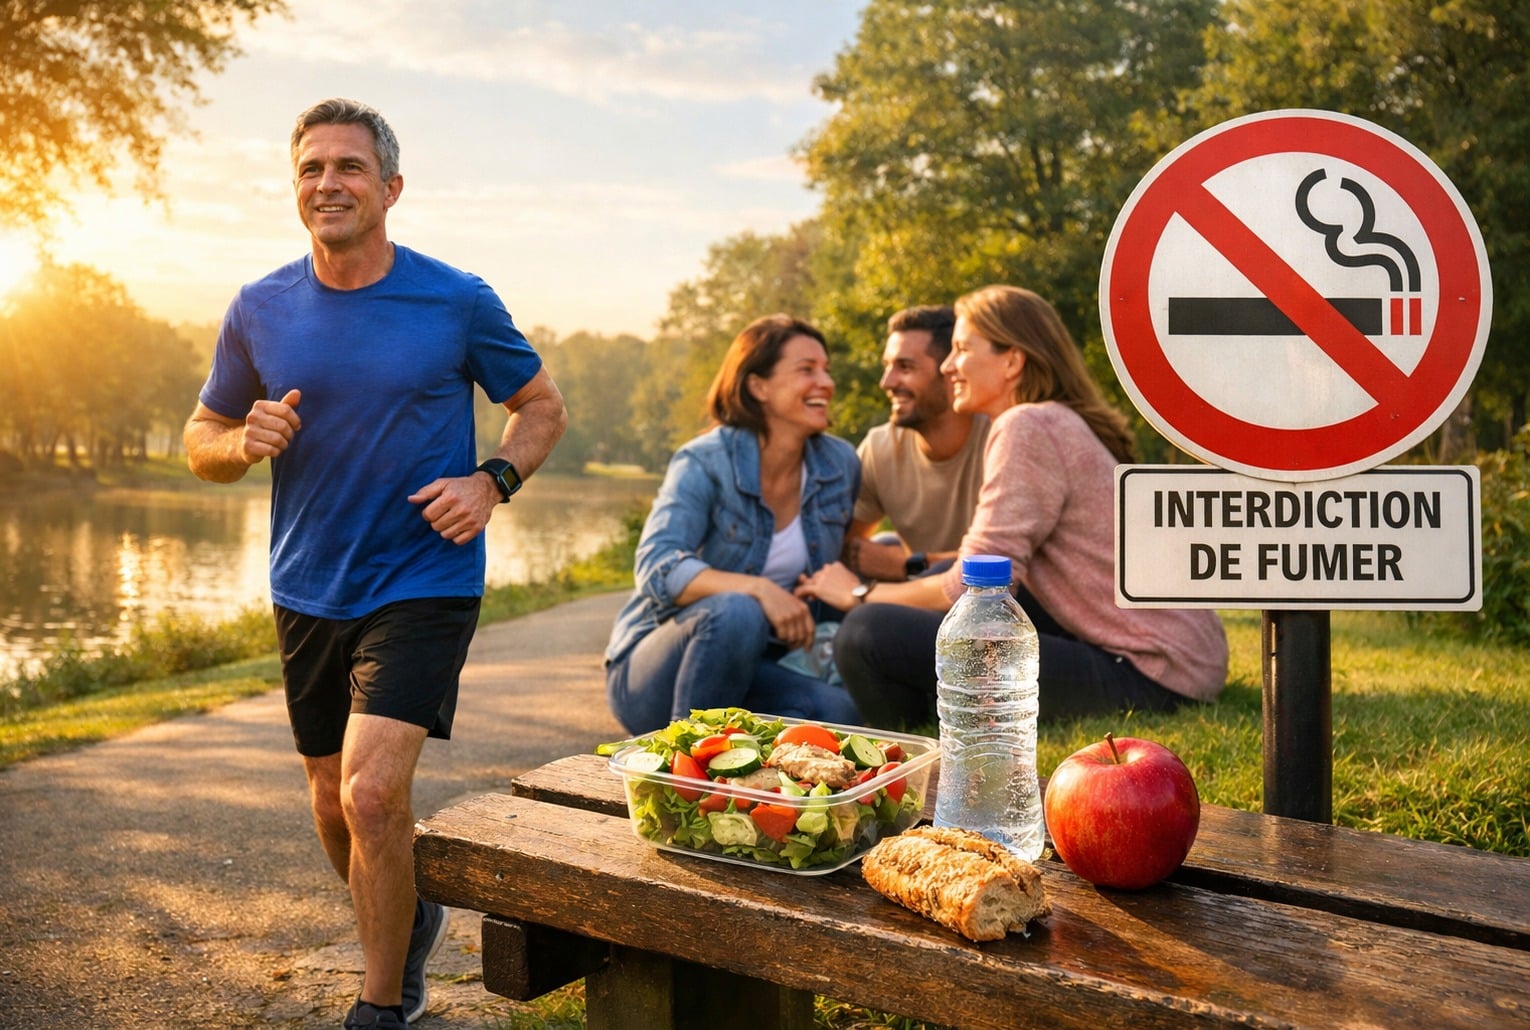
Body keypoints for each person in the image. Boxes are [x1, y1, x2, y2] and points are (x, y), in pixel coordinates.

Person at [183, 98, 567, 1030]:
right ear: (296, 188)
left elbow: (541, 406)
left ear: (391, 188)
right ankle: (411, 914)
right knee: (330, 799)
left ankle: (382, 1002)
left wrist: (491, 482)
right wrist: (240, 442)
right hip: (308, 583)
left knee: (371, 790)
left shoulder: (456, 299)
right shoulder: (259, 307)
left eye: (349, 167)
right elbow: (200, 436)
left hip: (425, 578)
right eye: (312, 168)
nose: (329, 183)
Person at [797, 285, 1227, 727]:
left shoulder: (1028, 426)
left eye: (962, 349)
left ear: (1012, 362)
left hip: (1149, 670)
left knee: (867, 632)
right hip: (1174, 658)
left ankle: (918, 735)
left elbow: (968, 588)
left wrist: (857, 595)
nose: (948, 366)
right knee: (923, 588)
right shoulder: (1050, 419)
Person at [604, 314, 863, 735]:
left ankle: (738, 753)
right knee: (739, 610)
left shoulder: (839, 463)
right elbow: (656, 565)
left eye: (826, 370)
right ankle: (683, 756)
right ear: (758, 386)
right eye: (807, 370)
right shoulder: (704, 461)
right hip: (655, 668)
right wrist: (759, 589)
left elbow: (845, 557)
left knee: (839, 714)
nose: (826, 383)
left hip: (760, 662)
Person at [843, 305, 989, 583]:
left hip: (992, 600)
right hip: (924, 588)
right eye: (887, 366)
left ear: (951, 371)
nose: (887, 382)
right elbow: (847, 546)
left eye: (905, 367)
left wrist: (910, 565)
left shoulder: (1000, 439)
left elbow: (1010, 561)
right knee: (883, 544)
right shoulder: (880, 447)